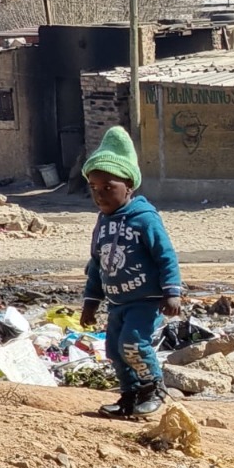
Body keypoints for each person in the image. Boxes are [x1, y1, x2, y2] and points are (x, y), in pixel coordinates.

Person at [79, 126, 183, 419]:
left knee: (133, 345)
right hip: (117, 303)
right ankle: (129, 397)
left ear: (129, 186)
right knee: (115, 350)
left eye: (108, 187)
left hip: (145, 300)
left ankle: (153, 389)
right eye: (93, 187)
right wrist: (90, 303)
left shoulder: (144, 219)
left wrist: (172, 292)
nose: (99, 194)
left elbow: (166, 256)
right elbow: (97, 264)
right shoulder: (102, 223)